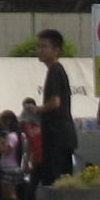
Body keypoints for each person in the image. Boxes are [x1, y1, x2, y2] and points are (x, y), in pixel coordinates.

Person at [34, 30, 77, 186]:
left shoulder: (55, 69)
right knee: (62, 182)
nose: (40, 50)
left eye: (44, 46)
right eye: (39, 46)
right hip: (62, 136)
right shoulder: (57, 70)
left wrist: (36, 109)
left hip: (57, 136)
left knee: (54, 182)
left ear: (56, 50)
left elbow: (55, 102)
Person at [0, 110, 26, 200]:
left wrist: (0, 144)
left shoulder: (12, 136)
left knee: (11, 193)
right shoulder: (8, 136)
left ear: (7, 121)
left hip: (11, 167)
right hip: (5, 167)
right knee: (5, 193)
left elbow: (7, 151)